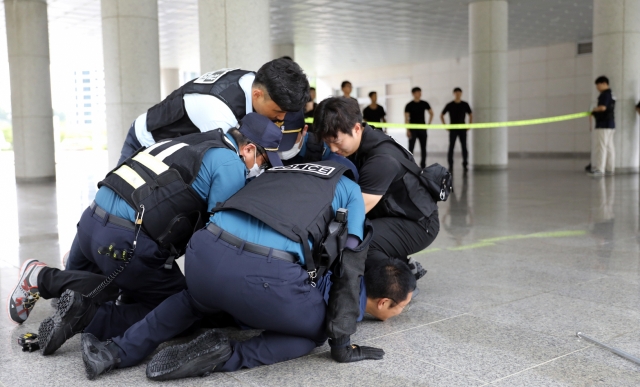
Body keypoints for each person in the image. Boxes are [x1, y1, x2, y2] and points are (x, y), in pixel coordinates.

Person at [80, 161, 414, 380]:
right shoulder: (350, 190)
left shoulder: (278, 171)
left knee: (192, 301)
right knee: (316, 330)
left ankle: (113, 351)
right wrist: (341, 344)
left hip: (204, 252)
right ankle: (220, 356)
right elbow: (352, 265)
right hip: (261, 272)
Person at [8, 114, 284, 351]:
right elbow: (215, 239)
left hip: (91, 221)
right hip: (124, 239)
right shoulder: (229, 164)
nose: (262, 168)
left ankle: (49, 278)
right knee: (181, 308)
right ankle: (80, 309)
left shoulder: (193, 139)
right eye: (265, 161)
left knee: (111, 285)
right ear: (248, 149)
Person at [315, 97, 439, 282]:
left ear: (356, 128)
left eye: (337, 141)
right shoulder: (365, 137)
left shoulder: (381, 160)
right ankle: (400, 260)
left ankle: (401, 283)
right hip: (394, 212)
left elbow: (356, 212)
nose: (332, 149)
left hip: (419, 224)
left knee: (361, 240)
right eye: (327, 142)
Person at [117, 58, 309, 164]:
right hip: (146, 142)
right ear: (258, 94)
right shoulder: (218, 111)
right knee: (122, 209)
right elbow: (230, 166)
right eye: (278, 111)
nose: (281, 119)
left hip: (187, 143)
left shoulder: (257, 81)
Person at [441, 87, 472, 174]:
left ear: (461, 94)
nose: (458, 94)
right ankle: (450, 164)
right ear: (454, 94)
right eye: (456, 93)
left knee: (464, 146)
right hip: (453, 129)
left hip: (462, 128)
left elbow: (470, 114)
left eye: (459, 93)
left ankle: (465, 163)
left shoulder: (465, 104)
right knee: (451, 146)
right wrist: (445, 126)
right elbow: (442, 115)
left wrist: (469, 125)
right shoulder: (450, 105)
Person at [589, 76, 616, 177]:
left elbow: (602, 107)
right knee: (609, 147)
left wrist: (594, 109)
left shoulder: (605, 94)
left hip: (603, 124)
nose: (597, 87)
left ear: (604, 83)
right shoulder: (611, 95)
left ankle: (599, 169)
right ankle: (610, 168)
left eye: (598, 85)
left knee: (601, 147)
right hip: (610, 124)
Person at [404, 87, 433, 168]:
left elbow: (431, 113)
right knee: (411, 148)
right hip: (413, 130)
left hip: (422, 129)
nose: (419, 94)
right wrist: (407, 130)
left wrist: (428, 124)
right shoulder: (409, 105)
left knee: (423, 148)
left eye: (420, 92)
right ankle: (410, 164)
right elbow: (406, 118)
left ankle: (423, 164)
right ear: (413, 94)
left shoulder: (424, 103)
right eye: (418, 92)